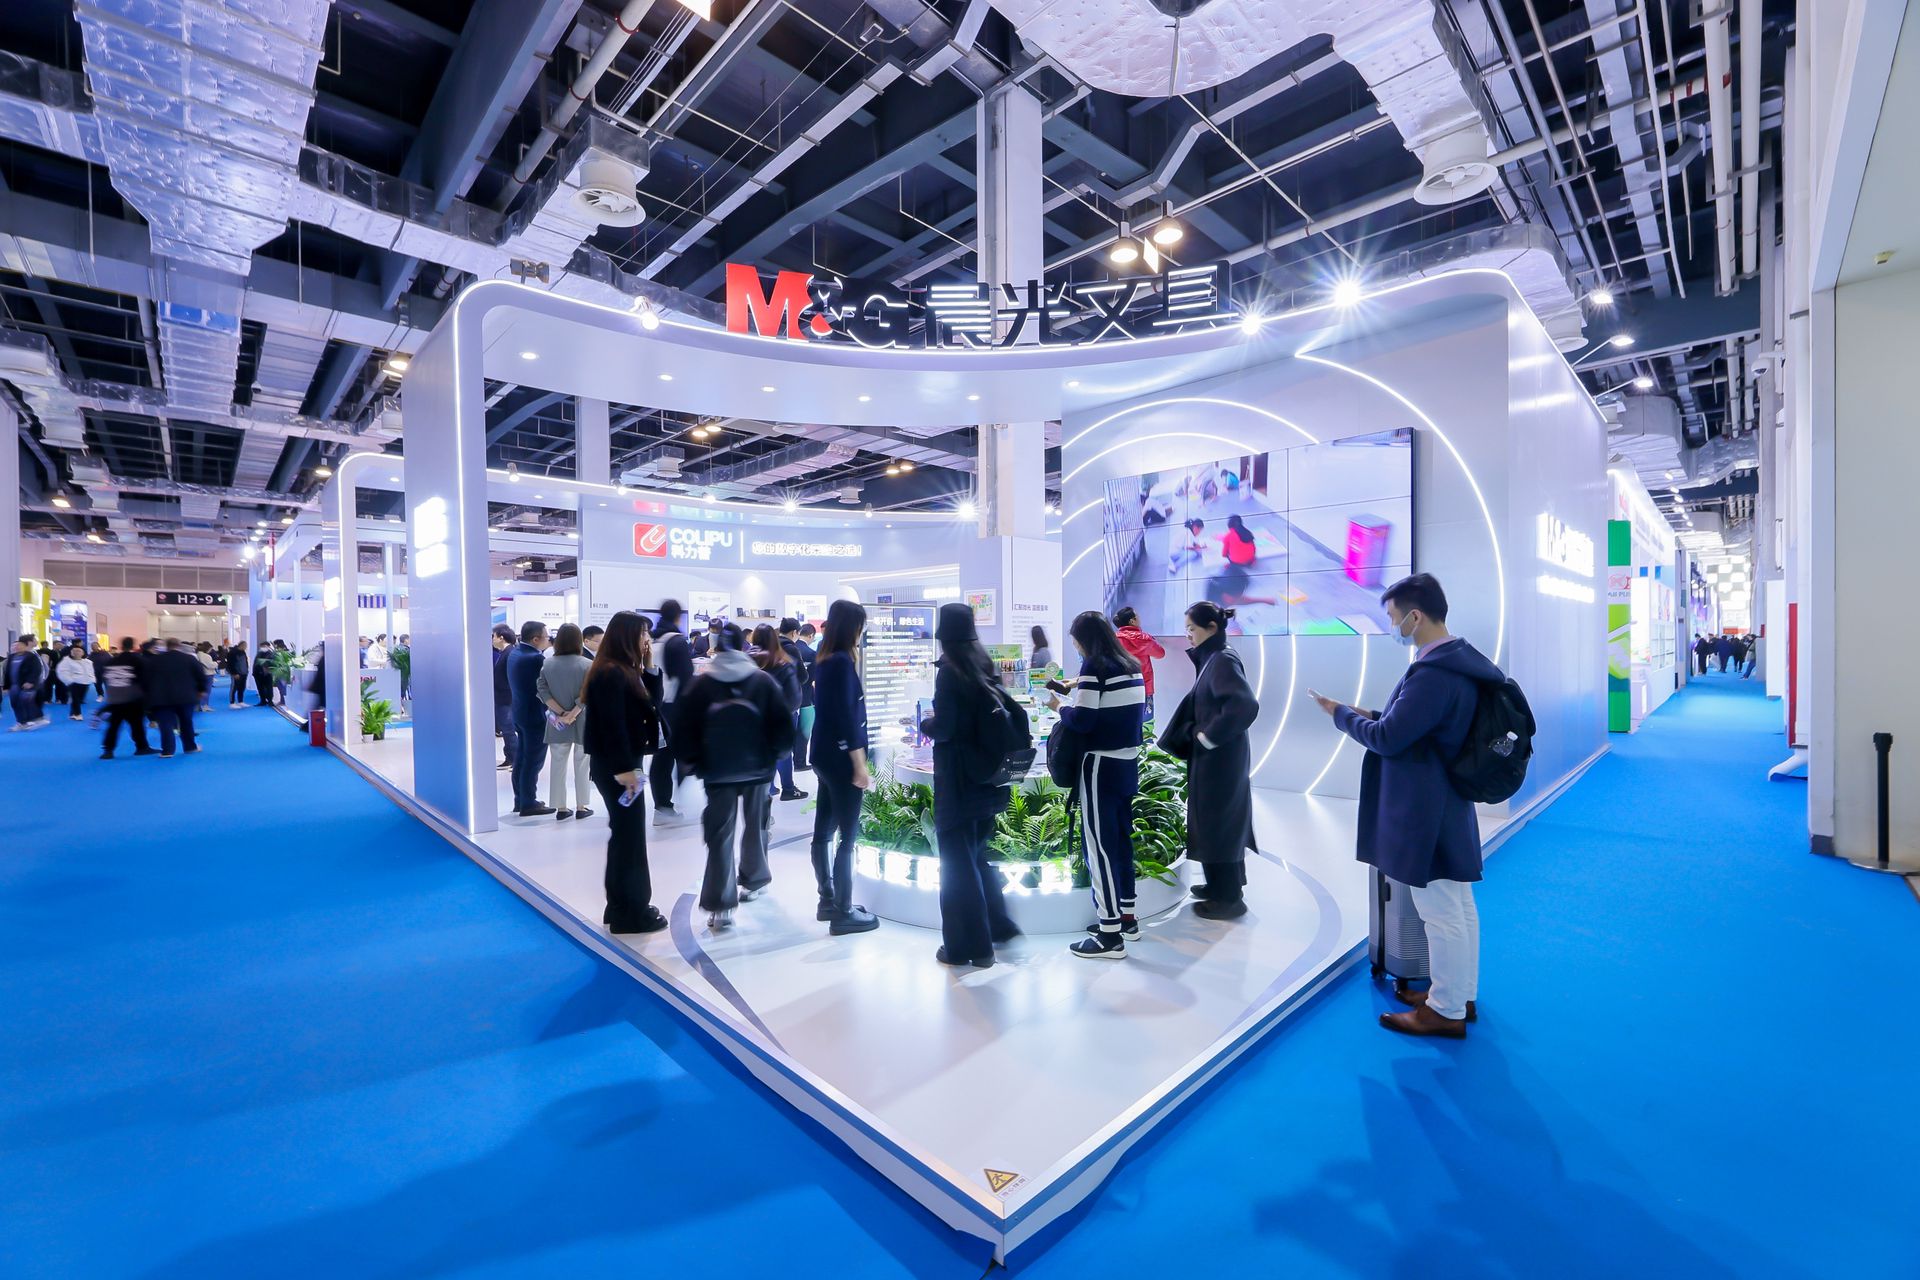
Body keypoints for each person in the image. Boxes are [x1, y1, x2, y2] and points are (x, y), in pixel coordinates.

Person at [1312, 572, 1495, 1039]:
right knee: (1456, 906)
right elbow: (1414, 726)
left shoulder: (1435, 673)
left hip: (1425, 803)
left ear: (1415, 616)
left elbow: (1390, 739)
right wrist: (1370, 715)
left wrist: (1341, 715)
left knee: (1440, 911)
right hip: (1445, 798)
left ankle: (1445, 1011)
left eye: (1393, 617)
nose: (1392, 626)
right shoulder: (1458, 661)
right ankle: (1456, 995)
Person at [918, 603, 1020, 967]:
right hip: (988, 781)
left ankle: (968, 948)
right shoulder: (983, 663)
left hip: (959, 782)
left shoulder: (950, 671)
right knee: (975, 857)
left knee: (956, 867)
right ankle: (999, 927)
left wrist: (925, 724)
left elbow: (946, 728)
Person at [676, 624, 795, 930]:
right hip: (759, 770)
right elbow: (783, 725)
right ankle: (754, 880)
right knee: (756, 824)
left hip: (717, 772)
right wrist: (775, 755)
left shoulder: (702, 683)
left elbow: (685, 728)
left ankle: (720, 905)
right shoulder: (762, 681)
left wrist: (693, 764)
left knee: (719, 835)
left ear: (716, 648)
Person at [1047, 610, 1149, 958]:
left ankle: (1109, 934)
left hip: (1099, 766)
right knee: (1120, 841)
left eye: (1075, 641)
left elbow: (1083, 720)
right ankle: (1127, 918)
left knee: (1099, 847)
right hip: (1127, 763)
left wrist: (1058, 706)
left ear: (1083, 640)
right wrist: (1077, 688)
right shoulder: (1130, 665)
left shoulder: (1094, 667)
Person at [1163, 601, 1259, 919]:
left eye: (1192, 628)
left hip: (1221, 759)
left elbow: (1244, 705)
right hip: (1219, 758)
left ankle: (1228, 898)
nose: (1188, 635)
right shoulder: (1215, 657)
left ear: (1212, 628)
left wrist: (1207, 737)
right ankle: (1221, 886)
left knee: (1219, 823)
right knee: (1217, 821)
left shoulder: (1222, 660)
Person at [581, 611, 666, 934]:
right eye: (643, 634)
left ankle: (620, 905)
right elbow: (612, 726)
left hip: (624, 764)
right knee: (630, 838)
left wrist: (649, 667)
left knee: (625, 834)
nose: (647, 640)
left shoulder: (621, 669)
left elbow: (651, 706)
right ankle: (632, 912)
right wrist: (625, 769)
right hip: (620, 767)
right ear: (628, 636)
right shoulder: (611, 673)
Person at [809, 599, 879, 935]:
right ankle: (843, 911)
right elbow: (849, 719)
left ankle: (829, 899)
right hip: (841, 758)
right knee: (847, 837)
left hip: (823, 755)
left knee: (823, 831)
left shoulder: (825, 659)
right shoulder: (840, 662)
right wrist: (859, 764)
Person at [536, 623, 595, 820]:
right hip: (583, 719)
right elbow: (588, 693)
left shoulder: (548, 663)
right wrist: (573, 713)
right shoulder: (587, 664)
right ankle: (581, 806)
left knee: (558, 763)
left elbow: (542, 690)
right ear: (579, 640)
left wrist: (562, 713)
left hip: (557, 720)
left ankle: (561, 808)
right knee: (582, 763)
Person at [649, 600, 696, 823]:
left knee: (662, 756)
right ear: (678, 616)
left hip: (656, 704)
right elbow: (686, 677)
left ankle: (662, 805)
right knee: (678, 753)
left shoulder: (653, 639)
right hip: (675, 706)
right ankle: (667, 806)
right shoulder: (676, 641)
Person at [753, 622, 807, 802]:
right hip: (782, 715)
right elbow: (795, 693)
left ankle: (768, 788)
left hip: (755, 716)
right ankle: (788, 788)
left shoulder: (747, 659)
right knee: (783, 751)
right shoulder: (784, 660)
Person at [506, 621, 553, 816]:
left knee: (522, 758)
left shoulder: (515, 653)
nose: (549, 640)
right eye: (546, 637)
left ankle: (521, 799)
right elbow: (544, 688)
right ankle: (528, 802)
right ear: (535, 639)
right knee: (533, 761)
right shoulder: (535, 658)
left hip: (520, 713)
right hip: (535, 716)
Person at [147, 638, 209, 757]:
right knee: (186, 722)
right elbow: (201, 676)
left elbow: (147, 679)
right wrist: (201, 690)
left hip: (162, 698)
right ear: (179, 646)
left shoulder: (155, 660)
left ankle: (167, 751)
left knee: (165, 724)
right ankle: (190, 747)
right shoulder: (189, 658)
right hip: (185, 697)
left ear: (166, 646)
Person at [1205, 514, 1282, 609]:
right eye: (1239, 594)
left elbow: (1224, 554)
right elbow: (1238, 600)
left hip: (1236, 563)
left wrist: (1263, 600)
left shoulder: (1219, 591)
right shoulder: (1247, 533)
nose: (1241, 596)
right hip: (1250, 561)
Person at [99, 637, 154, 758]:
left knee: (114, 725)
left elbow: (106, 678)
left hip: (115, 698)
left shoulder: (111, 661)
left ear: (121, 646)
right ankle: (142, 747)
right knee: (137, 725)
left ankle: (108, 750)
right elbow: (144, 680)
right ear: (133, 646)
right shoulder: (137, 660)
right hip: (133, 699)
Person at [1112, 606, 1166, 722]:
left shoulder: (1114, 640)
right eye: (1137, 616)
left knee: (1124, 721)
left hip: (1121, 686)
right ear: (1132, 621)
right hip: (1144, 686)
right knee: (1146, 723)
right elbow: (1160, 653)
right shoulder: (1144, 639)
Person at [780, 617, 815, 771]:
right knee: (802, 732)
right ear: (795, 632)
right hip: (799, 697)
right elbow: (805, 677)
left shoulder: (771, 646)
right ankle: (798, 764)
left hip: (775, 700)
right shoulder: (799, 650)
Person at [4, 637, 48, 730]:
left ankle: (37, 718)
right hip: (14, 685)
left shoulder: (31, 656)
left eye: (19, 645)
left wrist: (30, 681)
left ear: (25, 646)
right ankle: (21, 722)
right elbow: (7, 672)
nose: (17, 647)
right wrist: (6, 686)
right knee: (15, 704)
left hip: (27, 684)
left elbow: (36, 670)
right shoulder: (12, 657)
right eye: (15, 646)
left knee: (26, 701)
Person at [491, 623, 518, 769]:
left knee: (508, 730)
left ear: (501, 638)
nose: (492, 640)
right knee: (507, 730)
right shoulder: (505, 653)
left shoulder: (509, 653)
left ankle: (514, 759)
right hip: (503, 698)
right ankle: (511, 758)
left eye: (493, 636)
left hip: (506, 698)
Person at [56, 644, 94, 720]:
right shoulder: (66, 661)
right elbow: (62, 671)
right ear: (71, 652)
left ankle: (72, 713)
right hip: (73, 682)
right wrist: (69, 680)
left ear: (83, 653)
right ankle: (78, 714)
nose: (77, 652)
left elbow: (91, 671)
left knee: (79, 699)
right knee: (75, 698)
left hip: (85, 682)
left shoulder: (88, 662)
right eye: (75, 651)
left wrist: (92, 678)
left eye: (79, 651)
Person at [193, 642, 218, 710]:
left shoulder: (197, 654)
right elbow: (210, 665)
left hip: (200, 674)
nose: (210, 651)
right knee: (207, 690)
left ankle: (198, 705)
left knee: (200, 690)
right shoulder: (206, 656)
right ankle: (204, 705)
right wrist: (216, 663)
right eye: (210, 649)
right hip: (208, 674)